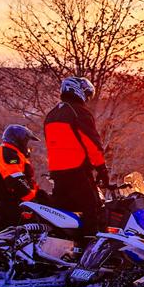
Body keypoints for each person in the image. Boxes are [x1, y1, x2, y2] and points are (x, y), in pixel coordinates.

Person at [43, 77, 109, 235]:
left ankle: (63, 249)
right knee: (93, 209)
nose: (86, 98)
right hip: (77, 171)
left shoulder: (51, 115)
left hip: (57, 174)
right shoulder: (79, 112)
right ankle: (90, 250)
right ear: (78, 91)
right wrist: (102, 169)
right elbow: (92, 144)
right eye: (86, 94)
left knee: (61, 215)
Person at [0, 124, 44, 226]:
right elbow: (16, 181)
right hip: (4, 202)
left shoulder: (14, 154)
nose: (28, 147)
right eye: (26, 141)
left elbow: (26, 181)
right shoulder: (7, 154)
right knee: (33, 224)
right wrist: (33, 200)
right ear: (19, 140)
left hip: (14, 201)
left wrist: (41, 195)